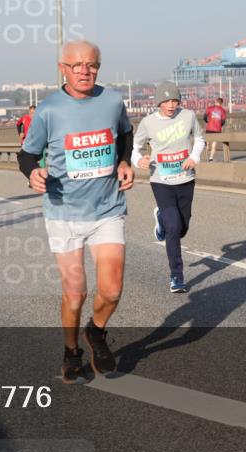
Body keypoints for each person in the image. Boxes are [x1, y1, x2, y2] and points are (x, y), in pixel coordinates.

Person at [17, 40, 134, 383]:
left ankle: (95, 331)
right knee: (75, 293)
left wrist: (124, 161)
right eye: (77, 65)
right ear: (62, 69)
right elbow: (27, 154)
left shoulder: (112, 101)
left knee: (111, 290)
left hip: (107, 208)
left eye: (92, 65)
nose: (85, 71)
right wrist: (32, 172)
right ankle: (71, 351)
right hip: (63, 212)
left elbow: (125, 134)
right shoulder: (49, 110)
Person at [134, 83, 205, 293]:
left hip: (185, 178)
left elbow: (199, 139)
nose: (171, 105)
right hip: (161, 180)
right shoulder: (148, 122)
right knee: (173, 227)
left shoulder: (188, 116)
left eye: (175, 101)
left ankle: (161, 219)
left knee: (182, 228)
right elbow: (135, 148)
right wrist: (139, 161)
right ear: (159, 103)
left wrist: (194, 157)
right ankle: (176, 276)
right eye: (166, 102)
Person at [203, 97, 227, 161]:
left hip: (209, 128)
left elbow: (204, 117)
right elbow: (223, 121)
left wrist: (207, 122)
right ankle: (211, 158)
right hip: (217, 129)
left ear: (216, 102)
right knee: (214, 144)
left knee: (207, 143)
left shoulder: (210, 108)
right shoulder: (223, 110)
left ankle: (205, 156)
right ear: (221, 103)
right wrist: (220, 125)